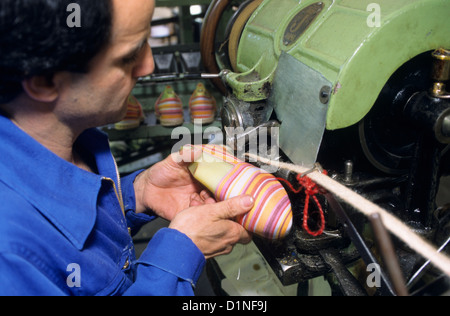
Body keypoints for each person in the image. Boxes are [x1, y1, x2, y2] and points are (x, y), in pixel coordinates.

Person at [0, 0, 254, 296]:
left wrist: (137, 194)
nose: (147, 65)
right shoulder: (10, 255)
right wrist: (178, 257)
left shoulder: (74, 145)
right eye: (129, 55)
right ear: (44, 81)